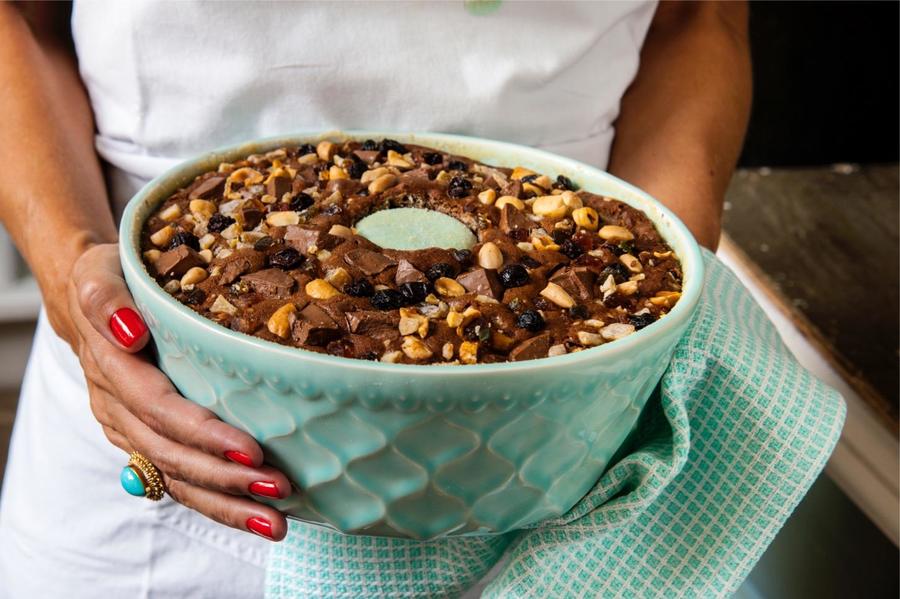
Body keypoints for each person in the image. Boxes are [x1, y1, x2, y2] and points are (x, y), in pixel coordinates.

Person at [0, 1, 751, 596]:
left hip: (552, 444)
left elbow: (697, 18)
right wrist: (75, 276)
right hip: (158, 429)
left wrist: (640, 317)